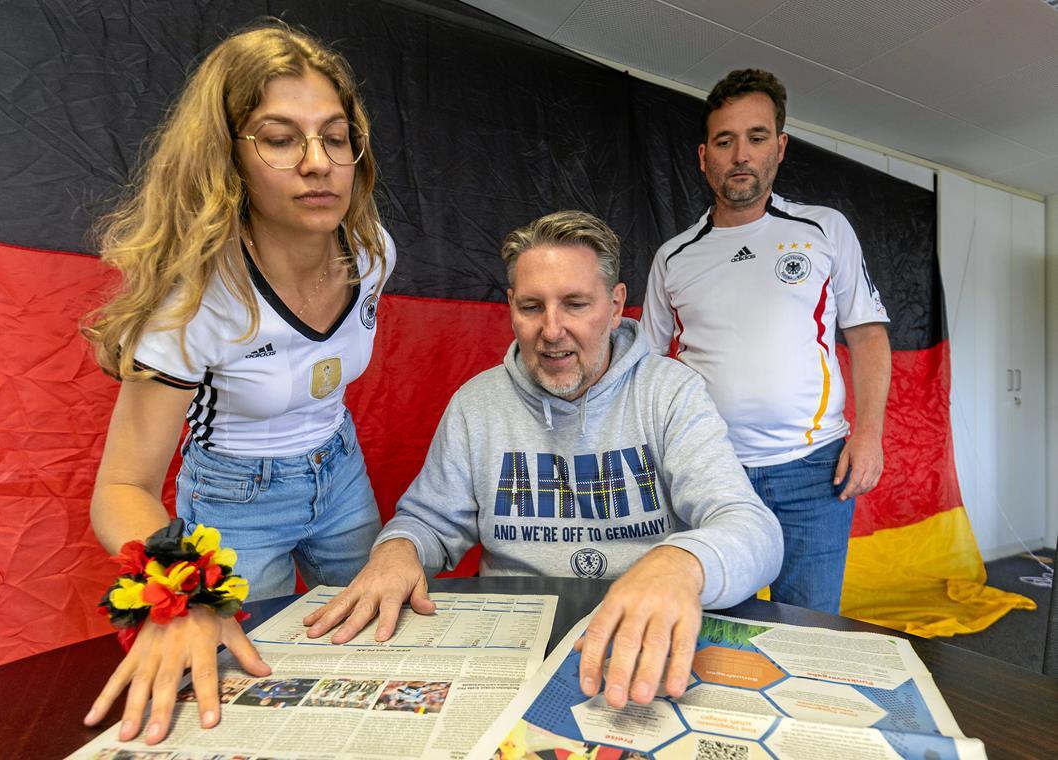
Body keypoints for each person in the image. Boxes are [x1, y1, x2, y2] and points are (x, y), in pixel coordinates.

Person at [305, 211, 782, 709]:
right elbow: (428, 521)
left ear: (615, 305)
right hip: (508, 651)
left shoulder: (670, 391)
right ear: (511, 306)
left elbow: (754, 530)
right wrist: (397, 550)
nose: (551, 331)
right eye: (532, 307)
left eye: (575, 304)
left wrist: (682, 562)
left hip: (642, 646)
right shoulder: (477, 403)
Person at [80, 21, 395, 744]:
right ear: (229, 157)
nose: (319, 162)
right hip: (235, 502)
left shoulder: (373, 254)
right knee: (249, 694)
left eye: (336, 136)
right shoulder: (194, 300)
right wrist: (182, 593)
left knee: (379, 652)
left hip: (341, 475)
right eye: (281, 138)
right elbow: (121, 488)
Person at [640, 69, 892, 615]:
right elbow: (646, 365)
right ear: (703, 156)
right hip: (708, 470)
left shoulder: (825, 230)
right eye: (725, 141)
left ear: (779, 147)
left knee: (808, 632)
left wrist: (869, 436)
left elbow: (868, 336)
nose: (740, 155)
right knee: (708, 627)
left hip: (814, 472)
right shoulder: (674, 257)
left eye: (756, 138)